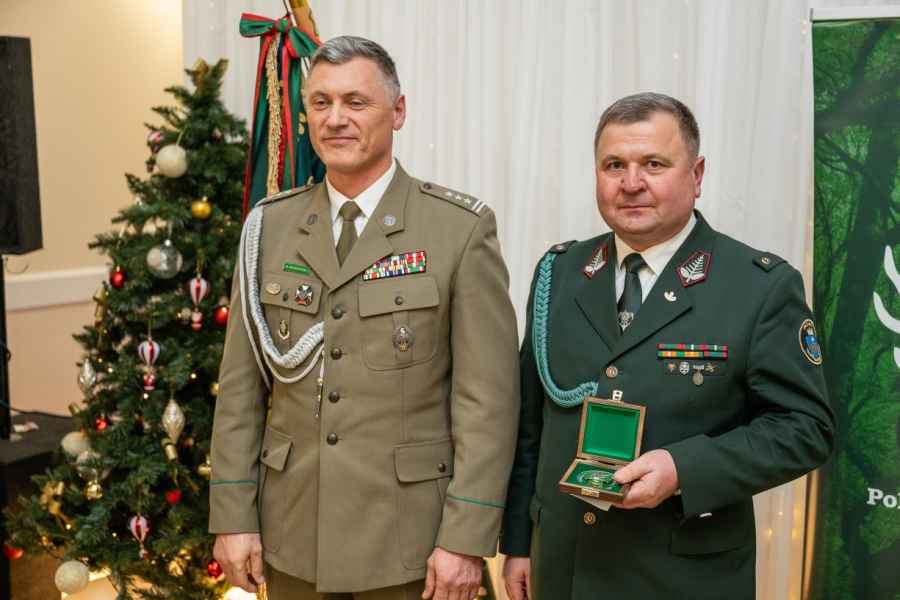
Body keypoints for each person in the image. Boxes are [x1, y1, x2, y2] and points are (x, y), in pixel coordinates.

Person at [209, 36, 520, 600]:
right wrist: (233, 515)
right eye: (321, 103)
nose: (336, 119)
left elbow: (487, 403)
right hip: (293, 532)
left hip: (411, 541)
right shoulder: (270, 227)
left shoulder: (458, 230)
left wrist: (465, 538)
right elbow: (239, 390)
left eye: (356, 102)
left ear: (397, 111)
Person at [500, 92, 834, 600]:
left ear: (697, 176)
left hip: (683, 576)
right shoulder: (561, 272)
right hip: (565, 567)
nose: (631, 182)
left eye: (654, 164)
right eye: (614, 165)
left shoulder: (758, 286)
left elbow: (806, 428)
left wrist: (683, 470)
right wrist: (519, 542)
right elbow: (531, 425)